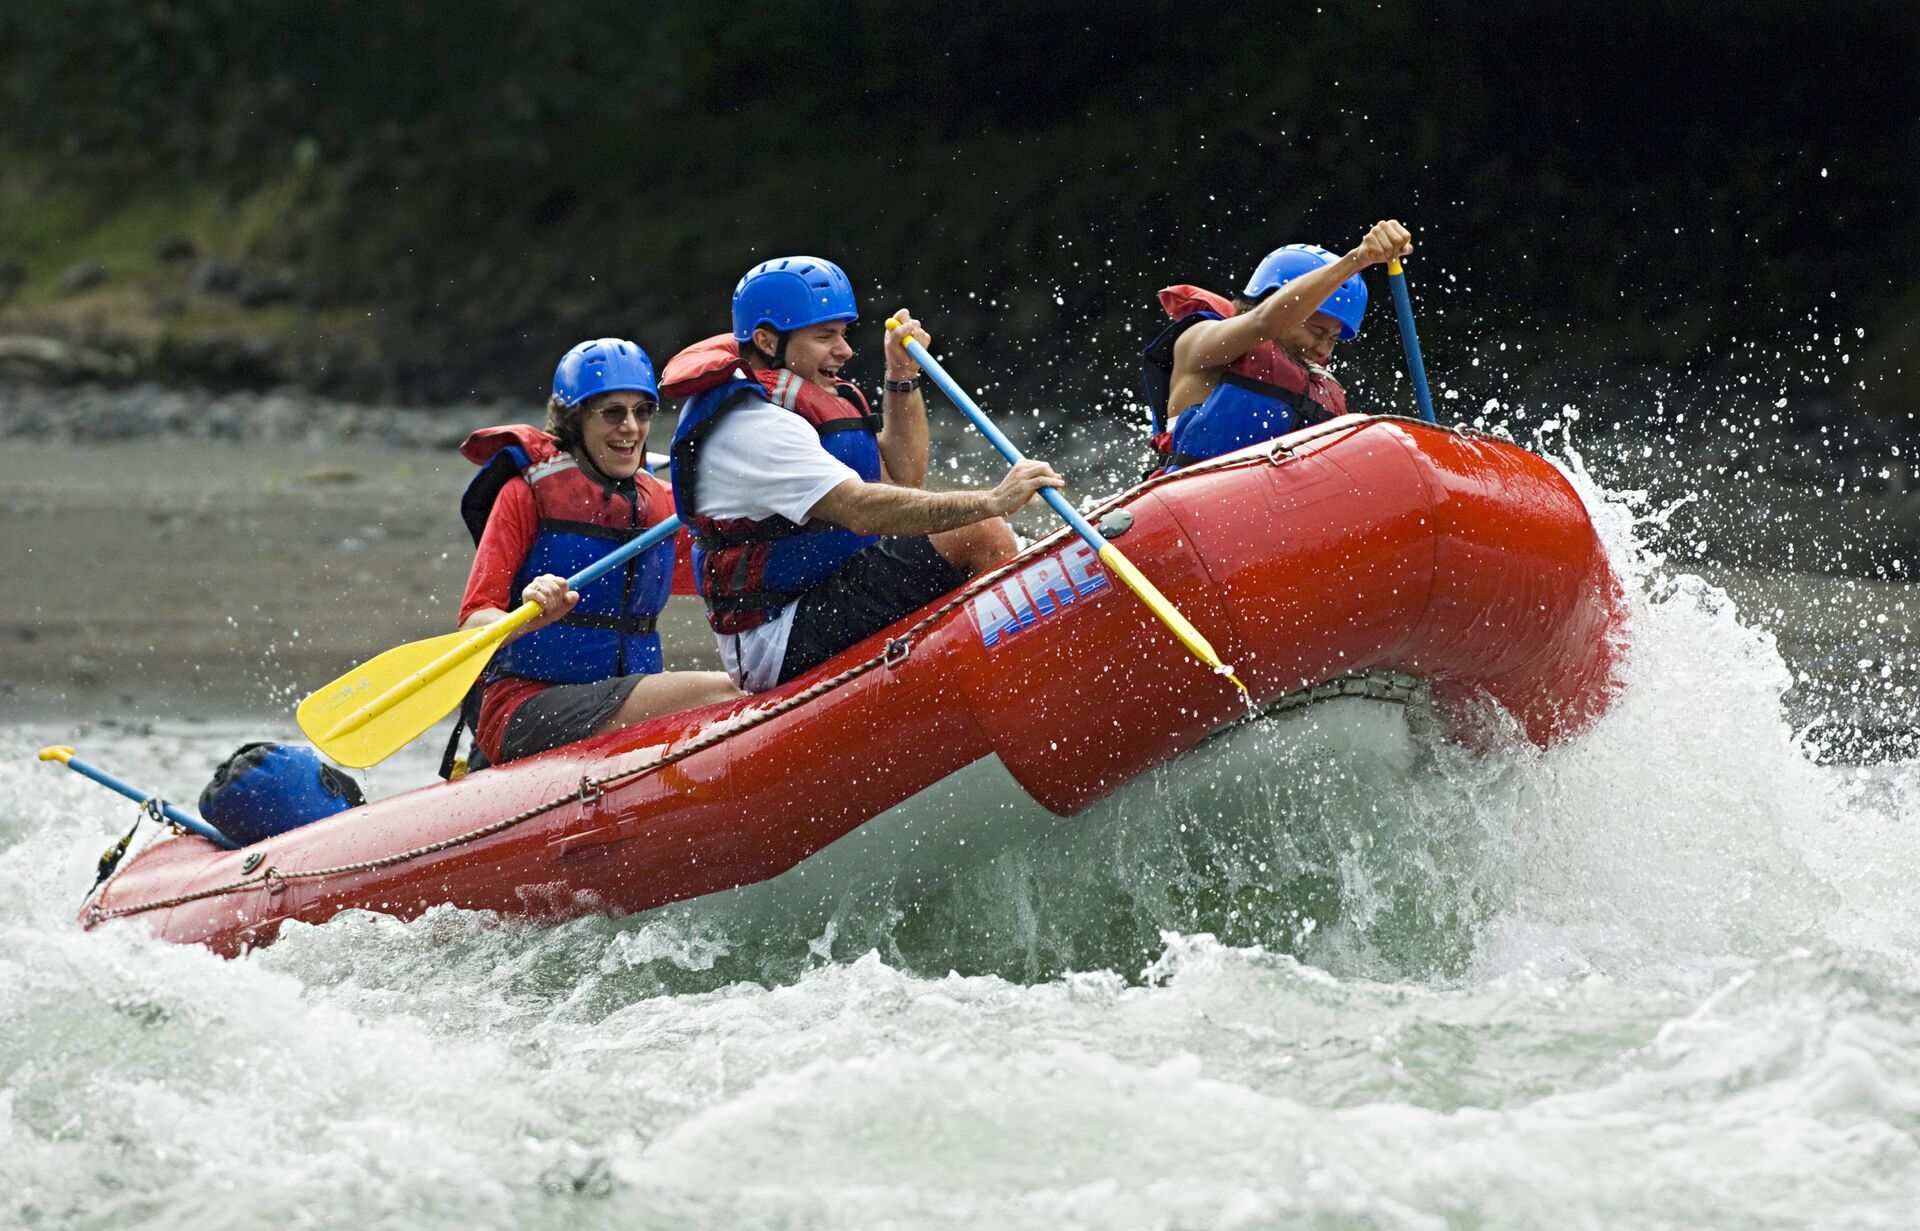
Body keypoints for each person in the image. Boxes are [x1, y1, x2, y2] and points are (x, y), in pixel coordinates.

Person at [661, 256, 1063, 692]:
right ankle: (1022, 685)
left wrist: (902, 375)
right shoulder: (753, 425)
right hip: (774, 637)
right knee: (979, 531)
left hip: (828, 589)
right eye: (824, 336)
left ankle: (997, 669)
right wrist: (989, 501)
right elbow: (860, 509)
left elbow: (903, 479)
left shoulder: (809, 397)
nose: (845, 351)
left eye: (843, 334)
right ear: (767, 340)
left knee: (978, 530)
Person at [453, 337, 742, 768]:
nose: (631, 427)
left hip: (619, 697)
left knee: (748, 682)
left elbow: (737, 565)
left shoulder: (662, 505)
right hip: (526, 709)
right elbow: (471, 626)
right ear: (575, 422)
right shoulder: (525, 495)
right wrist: (529, 609)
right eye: (612, 413)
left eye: (642, 412)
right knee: (728, 691)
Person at [1141, 220, 1413, 471]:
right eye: (1317, 331)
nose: (1324, 349)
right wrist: (1358, 259)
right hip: (1190, 505)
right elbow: (1265, 323)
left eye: (1332, 339)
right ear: (1269, 300)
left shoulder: (1314, 385)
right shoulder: (1202, 342)